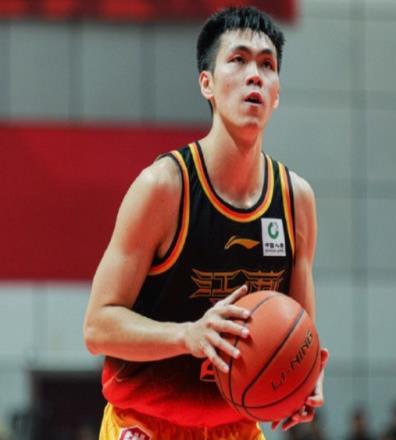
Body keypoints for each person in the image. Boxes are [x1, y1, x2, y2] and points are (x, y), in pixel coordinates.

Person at [83, 6, 329, 440]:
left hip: (237, 428)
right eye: (238, 60)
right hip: (144, 425)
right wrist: (187, 335)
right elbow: (97, 327)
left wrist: (303, 378)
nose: (255, 75)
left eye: (267, 65)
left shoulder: (295, 200)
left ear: (277, 94)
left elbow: (300, 328)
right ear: (207, 84)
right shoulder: (164, 187)